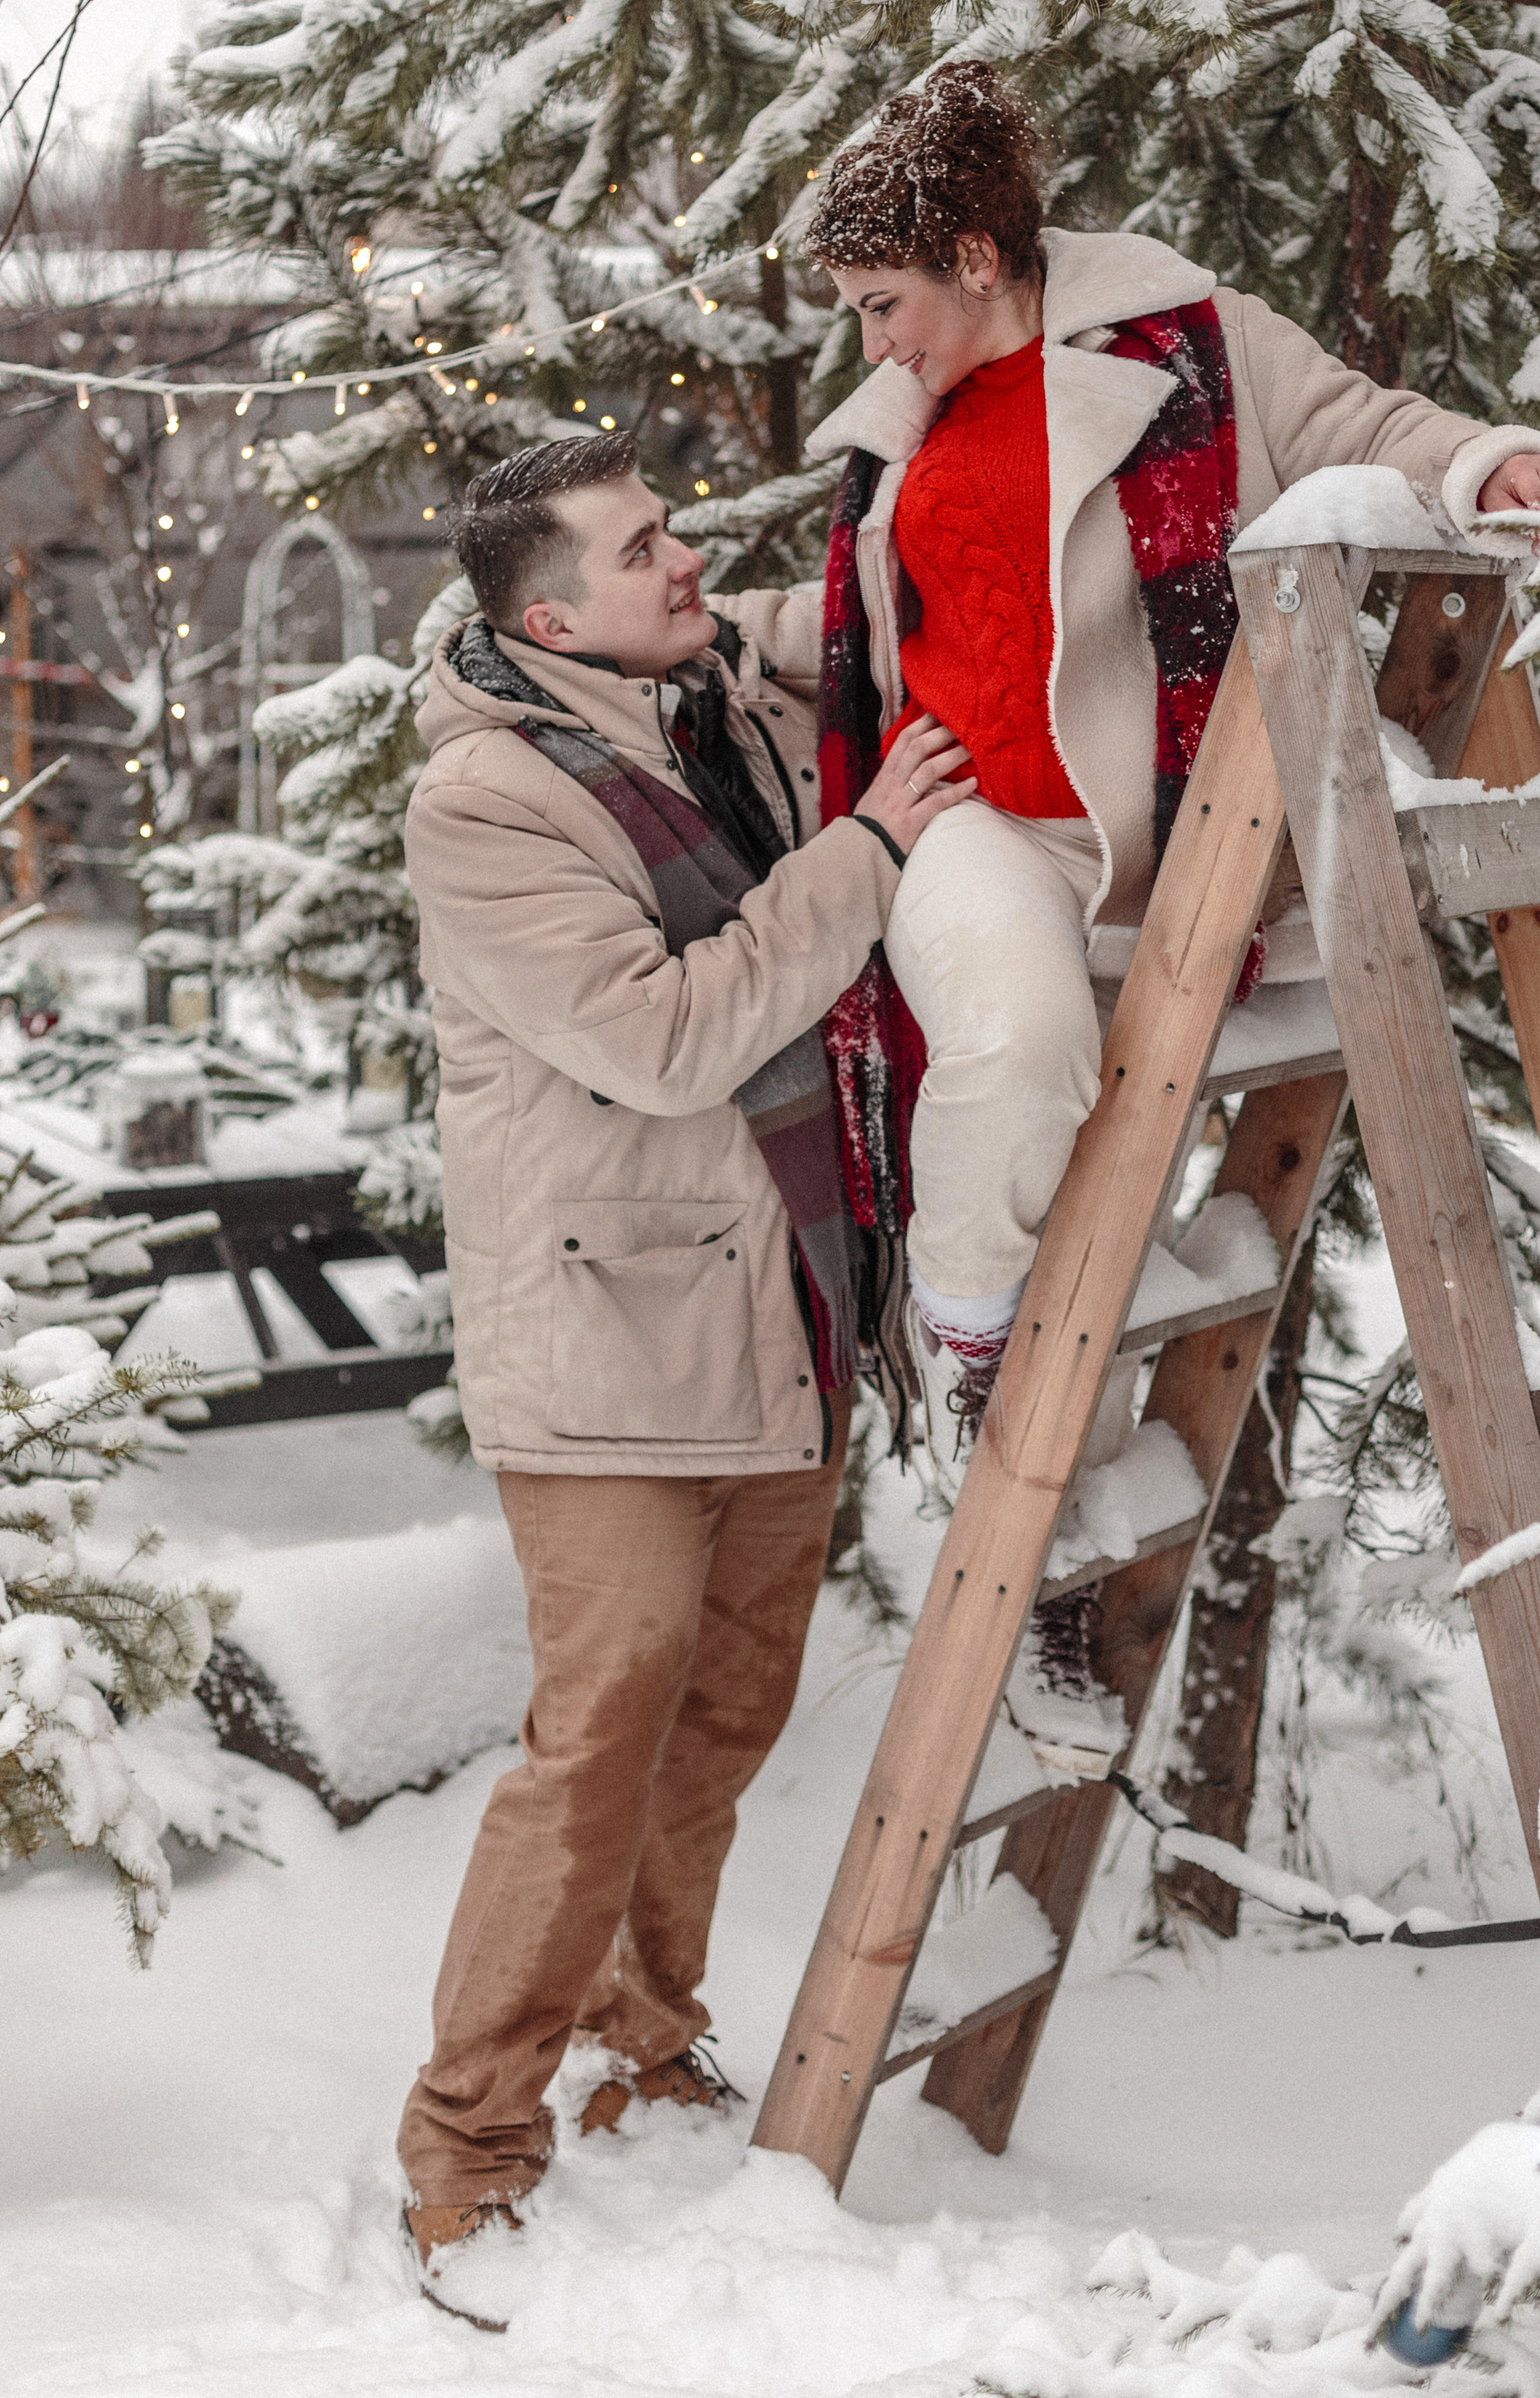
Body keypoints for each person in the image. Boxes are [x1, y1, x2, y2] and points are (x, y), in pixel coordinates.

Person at [792, 63, 1540, 1428]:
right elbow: (854, 628)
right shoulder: (902, 426)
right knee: (1020, 1042)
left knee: (1106, 1183)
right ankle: (972, 1331)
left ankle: (1058, 1475)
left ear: (977, 259)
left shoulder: (1186, 338)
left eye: (885, 306)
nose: (871, 346)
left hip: (1179, 837)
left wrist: (1489, 467)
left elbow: (1368, 426)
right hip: (980, 823)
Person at [393, 431, 970, 2314]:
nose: (685, 557)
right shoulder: (488, 802)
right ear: (546, 614)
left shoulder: (701, 690)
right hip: (605, 1349)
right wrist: (871, 851)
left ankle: (646, 2046)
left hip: (778, 1315)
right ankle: (466, 2154)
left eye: (676, 530)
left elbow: (869, 605)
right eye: (645, 546)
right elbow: (659, 1038)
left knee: (724, 1713)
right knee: (598, 1737)